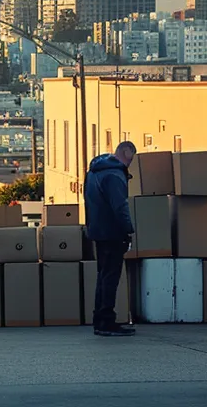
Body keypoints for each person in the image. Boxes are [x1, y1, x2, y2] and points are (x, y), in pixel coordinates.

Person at [84, 141, 138, 337]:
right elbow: (120, 206)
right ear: (124, 152)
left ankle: (100, 319)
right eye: (130, 157)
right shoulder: (114, 175)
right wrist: (128, 230)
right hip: (112, 232)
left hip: (97, 230)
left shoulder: (94, 171)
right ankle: (107, 321)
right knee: (110, 277)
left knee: (103, 276)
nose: (130, 163)